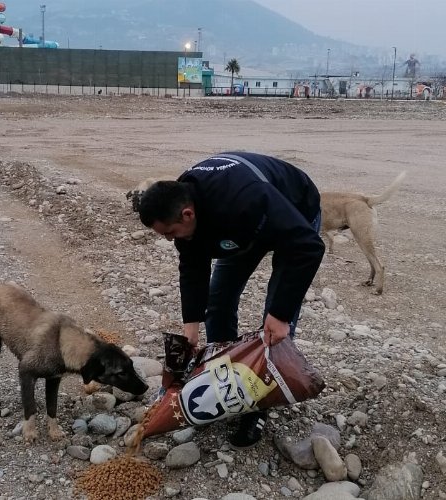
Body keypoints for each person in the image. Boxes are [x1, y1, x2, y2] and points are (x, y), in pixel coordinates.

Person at [138, 151, 325, 449]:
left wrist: (280, 313)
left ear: (188, 214)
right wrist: (191, 325)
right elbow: (192, 266)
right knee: (219, 300)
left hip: (294, 212)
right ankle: (227, 377)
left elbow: (308, 246)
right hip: (237, 227)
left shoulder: (245, 199)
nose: (169, 240)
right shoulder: (184, 206)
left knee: (276, 321)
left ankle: (262, 396)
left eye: (170, 233)